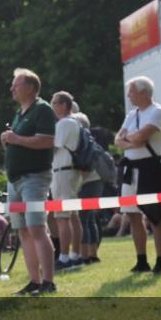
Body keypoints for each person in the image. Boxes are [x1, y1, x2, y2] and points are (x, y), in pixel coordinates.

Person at [0, 69, 57, 296]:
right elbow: (21, 142)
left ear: (31, 88)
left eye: (16, 84)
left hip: (34, 177)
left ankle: (48, 282)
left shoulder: (42, 109)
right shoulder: (20, 113)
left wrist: (16, 139)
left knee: (36, 228)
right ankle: (34, 280)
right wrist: (10, 141)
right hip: (15, 180)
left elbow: (46, 141)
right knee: (22, 230)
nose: (12, 88)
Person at [114, 77, 161, 276]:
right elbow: (117, 139)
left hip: (150, 168)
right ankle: (141, 261)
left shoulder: (158, 112)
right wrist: (131, 140)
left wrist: (129, 139)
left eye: (132, 91)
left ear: (144, 92)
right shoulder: (132, 115)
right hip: (130, 168)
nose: (129, 95)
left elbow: (140, 137)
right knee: (132, 214)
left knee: (155, 215)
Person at [50, 92, 84, 270]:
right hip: (71, 171)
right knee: (73, 216)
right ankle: (75, 255)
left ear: (63, 105)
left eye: (54, 103)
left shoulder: (64, 123)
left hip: (63, 171)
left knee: (62, 217)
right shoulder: (75, 122)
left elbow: (53, 147)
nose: (52, 106)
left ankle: (64, 257)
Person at [71, 110, 104, 264]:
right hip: (95, 182)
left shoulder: (83, 143)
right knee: (89, 219)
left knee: (83, 219)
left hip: (88, 183)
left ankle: (85, 255)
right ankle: (92, 254)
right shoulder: (91, 140)